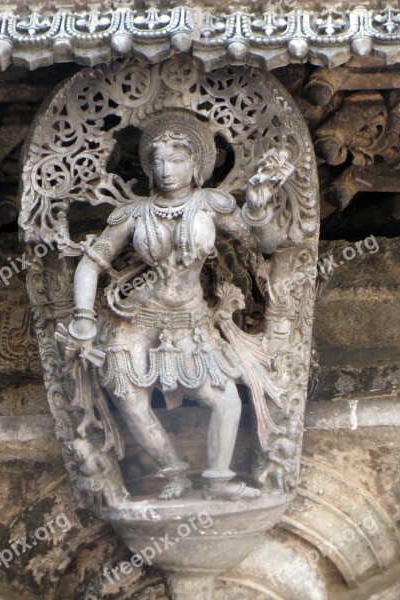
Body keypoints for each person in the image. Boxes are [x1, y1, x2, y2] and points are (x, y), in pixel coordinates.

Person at [66, 111, 292, 501]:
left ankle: (218, 480)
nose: (167, 170)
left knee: (224, 400)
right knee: (128, 397)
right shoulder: (134, 214)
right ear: (149, 169)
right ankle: (175, 474)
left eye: (176, 161)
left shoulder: (212, 205)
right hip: (138, 318)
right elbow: (90, 263)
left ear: (195, 165)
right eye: (158, 162)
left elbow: (265, 245)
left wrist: (257, 207)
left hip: (190, 320)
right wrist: (84, 319)